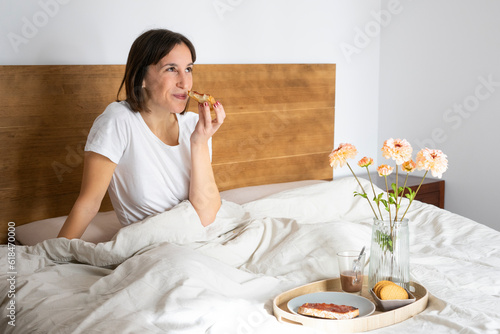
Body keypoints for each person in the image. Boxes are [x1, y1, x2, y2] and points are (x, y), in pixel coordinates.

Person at [58, 29, 225, 239]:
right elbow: (88, 205)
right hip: (156, 247)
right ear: (142, 76)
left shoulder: (195, 125)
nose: (185, 82)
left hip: (209, 237)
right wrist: (52, 257)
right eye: (172, 69)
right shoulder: (118, 121)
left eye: (189, 69)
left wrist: (199, 142)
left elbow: (207, 217)